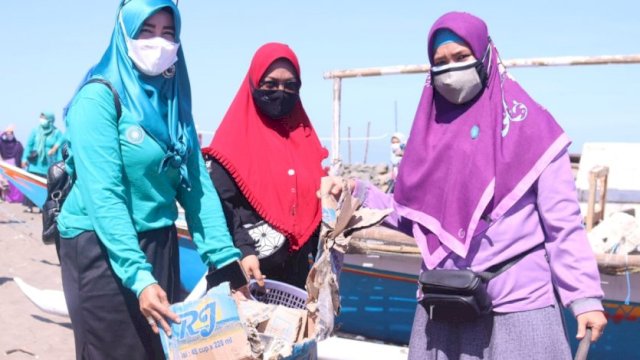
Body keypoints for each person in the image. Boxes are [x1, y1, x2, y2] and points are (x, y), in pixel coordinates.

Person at [331, 12, 606, 359]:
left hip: (518, 312)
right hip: (443, 309)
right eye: (440, 62)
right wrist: (356, 192)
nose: (451, 69)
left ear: (485, 55)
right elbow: (412, 216)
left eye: (461, 57)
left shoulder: (533, 130)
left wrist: (585, 298)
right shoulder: (427, 141)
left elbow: (564, 224)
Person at [57, 1, 242, 358]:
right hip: (100, 246)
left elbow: (197, 185)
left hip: (159, 241)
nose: (159, 42)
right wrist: (140, 278)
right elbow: (105, 196)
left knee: (157, 352)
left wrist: (224, 260)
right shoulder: (97, 98)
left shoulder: (174, 103)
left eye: (168, 33)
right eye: (146, 30)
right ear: (124, 33)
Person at [203, 43, 328, 289]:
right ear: (253, 84)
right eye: (270, 84)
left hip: (296, 277)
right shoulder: (230, 142)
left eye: (290, 86)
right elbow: (220, 207)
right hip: (245, 272)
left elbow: (314, 204)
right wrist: (243, 250)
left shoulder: (305, 139)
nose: (280, 92)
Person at [21, 112, 64, 211]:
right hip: (35, 164)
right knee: (31, 184)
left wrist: (59, 166)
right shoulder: (35, 131)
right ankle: (29, 207)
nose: (41, 120)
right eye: (40, 117)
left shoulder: (57, 133)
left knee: (45, 187)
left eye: (44, 118)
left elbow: (60, 150)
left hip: (48, 165)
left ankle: (42, 206)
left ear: (50, 120)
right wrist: (24, 158)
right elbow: (29, 145)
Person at [0, 125, 25, 203]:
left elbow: (23, 155)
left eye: (11, 133)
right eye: (8, 133)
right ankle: (8, 199)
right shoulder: (2, 143)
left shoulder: (18, 144)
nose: (9, 134)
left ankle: (17, 199)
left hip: (16, 165)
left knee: (16, 184)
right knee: (7, 183)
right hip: (6, 165)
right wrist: (5, 131)